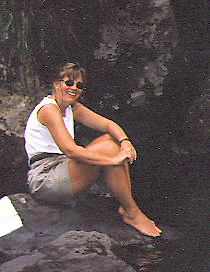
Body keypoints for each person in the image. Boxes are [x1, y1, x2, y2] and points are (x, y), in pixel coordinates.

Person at [24, 62, 162, 237]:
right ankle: (132, 212)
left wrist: (125, 142)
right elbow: (71, 150)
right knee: (109, 149)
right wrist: (112, 160)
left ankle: (129, 208)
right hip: (45, 177)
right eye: (69, 82)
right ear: (56, 83)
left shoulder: (71, 108)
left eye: (79, 85)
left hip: (62, 168)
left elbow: (108, 124)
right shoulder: (49, 109)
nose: (74, 88)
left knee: (111, 141)